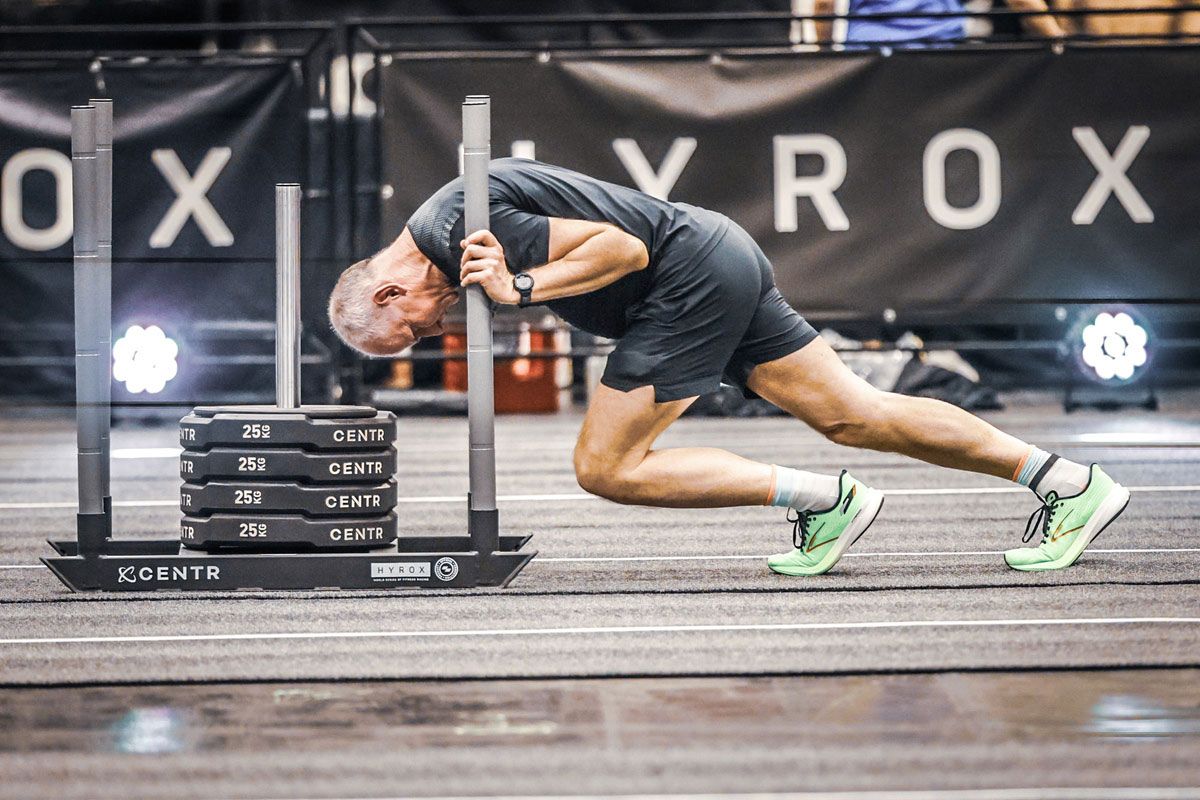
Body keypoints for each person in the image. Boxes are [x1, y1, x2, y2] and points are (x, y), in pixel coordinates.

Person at [328, 158, 1129, 576]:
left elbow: (623, 250)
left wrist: (523, 288)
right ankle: (1069, 484)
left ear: (390, 291)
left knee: (605, 465)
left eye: (413, 331)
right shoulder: (448, 236)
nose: (433, 334)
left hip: (683, 277)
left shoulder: (456, 228)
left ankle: (828, 500)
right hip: (711, 257)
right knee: (855, 414)